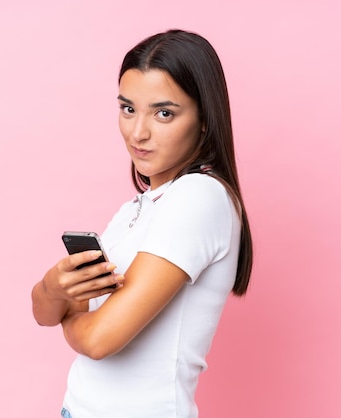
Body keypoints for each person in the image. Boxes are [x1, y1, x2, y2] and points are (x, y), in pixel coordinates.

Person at [31, 29, 253, 418]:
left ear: (204, 119)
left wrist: (72, 315)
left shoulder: (200, 198)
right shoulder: (136, 209)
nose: (138, 133)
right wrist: (53, 287)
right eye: (128, 108)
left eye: (164, 113)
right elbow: (43, 313)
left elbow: (100, 340)